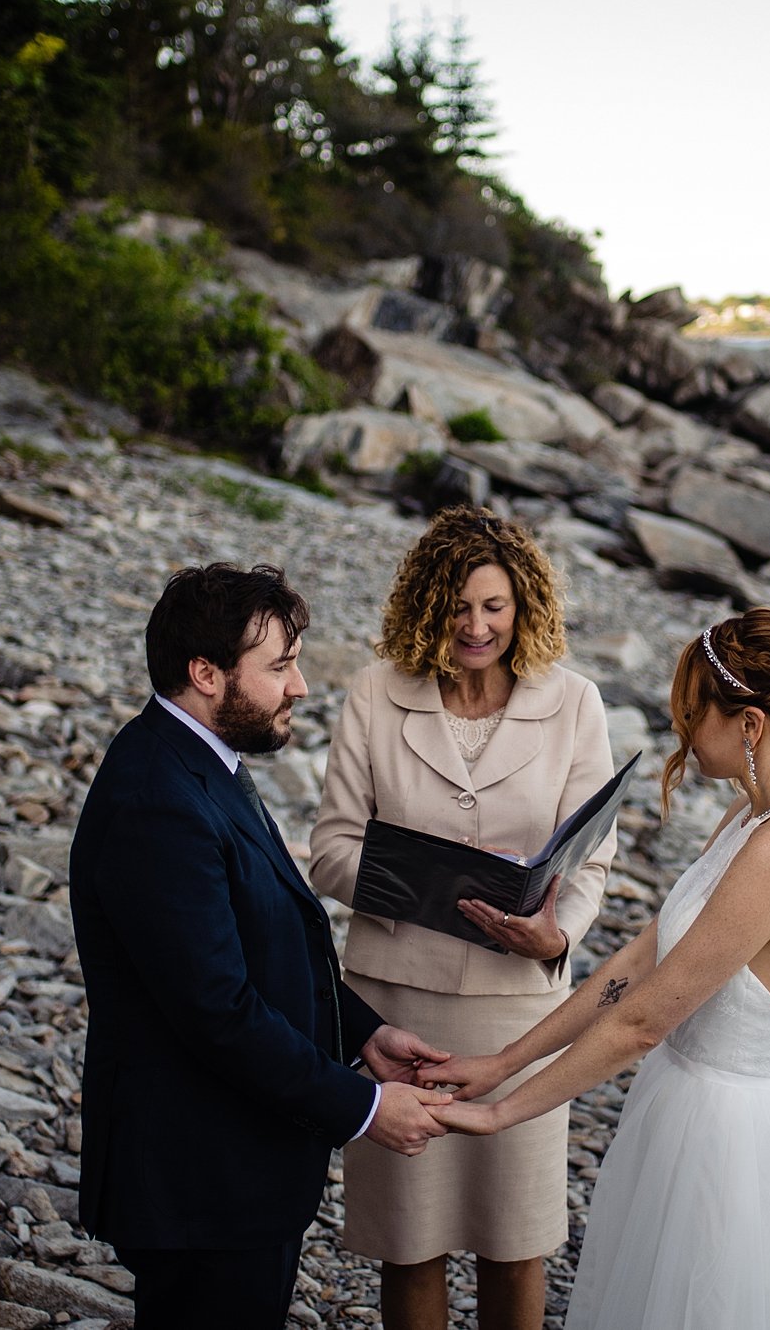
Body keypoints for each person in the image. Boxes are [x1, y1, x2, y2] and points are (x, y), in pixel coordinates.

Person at [436, 608, 770, 1329]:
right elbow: (645, 957)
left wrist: (501, 1112)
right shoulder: (752, 815)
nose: (685, 732)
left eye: (695, 712)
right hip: (686, 1104)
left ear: (751, 725)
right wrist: (502, 1061)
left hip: (738, 1144)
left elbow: (642, 1019)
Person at [69, 563, 458, 1330]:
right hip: (198, 1177)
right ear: (205, 673)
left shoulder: (203, 763)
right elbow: (216, 1007)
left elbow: (270, 945)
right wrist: (365, 1106)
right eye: (279, 666)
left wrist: (366, 1035)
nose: (301, 685)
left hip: (233, 1162)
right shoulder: (157, 798)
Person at [309, 508, 622, 1330]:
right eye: (458, 606)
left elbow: (591, 860)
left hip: (519, 1012)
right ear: (426, 605)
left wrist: (557, 937)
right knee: (408, 1244)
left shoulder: (576, 703)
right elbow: (330, 850)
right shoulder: (377, 691)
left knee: (515, 1241)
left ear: (524, 607)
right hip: (396, 1011)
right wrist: (413, 881)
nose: (476, 626)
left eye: (494, 606)